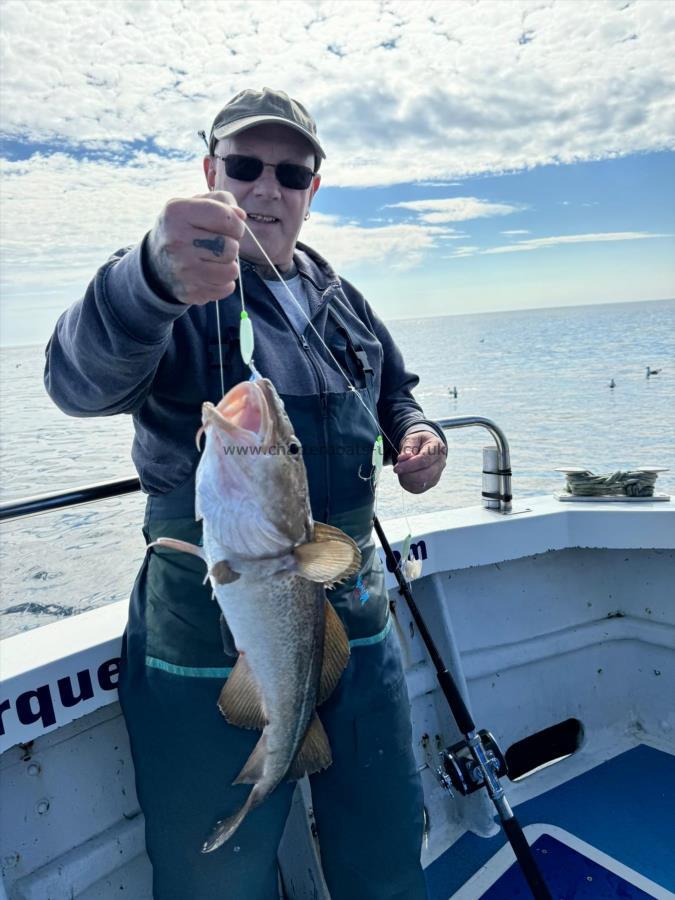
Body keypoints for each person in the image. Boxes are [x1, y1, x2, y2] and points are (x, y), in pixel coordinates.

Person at [44, 88, 447, 900]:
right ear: (210, 170)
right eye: (244, 166)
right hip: (208, 622)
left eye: (290, 172)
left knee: (387, 829)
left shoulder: (341, 300)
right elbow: (75, 384)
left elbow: (394, 388)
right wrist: (149, 280)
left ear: (311, 190)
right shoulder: (178, 286)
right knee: (213, 868)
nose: (266, 188)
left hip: (354, 612)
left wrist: (418, 433)